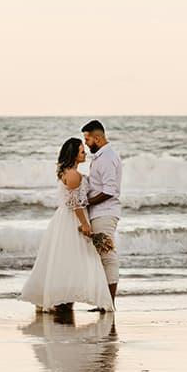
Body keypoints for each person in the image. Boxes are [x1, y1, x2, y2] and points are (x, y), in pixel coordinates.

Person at [20, 137, 114, 312]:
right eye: (81, 151)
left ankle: (64, 298)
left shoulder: (70, 172)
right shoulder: (72, 174)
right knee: (73, 258)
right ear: (74, 154)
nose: (85, 153)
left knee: (67, 259)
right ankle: (62, 299)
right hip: (71, 219)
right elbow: (75, 203)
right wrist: (85, 224)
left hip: (66, 217)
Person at [81, 120, 122, 306]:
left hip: (105, 213)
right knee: (102, 257)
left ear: (97, 138)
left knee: (108, 256)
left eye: (87, 139)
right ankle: (104, 302)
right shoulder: (100, 157)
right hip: (99, 213)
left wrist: (86, 202)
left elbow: (109, 191)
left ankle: (109, 304)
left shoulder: (106, 158)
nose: (86, 143)